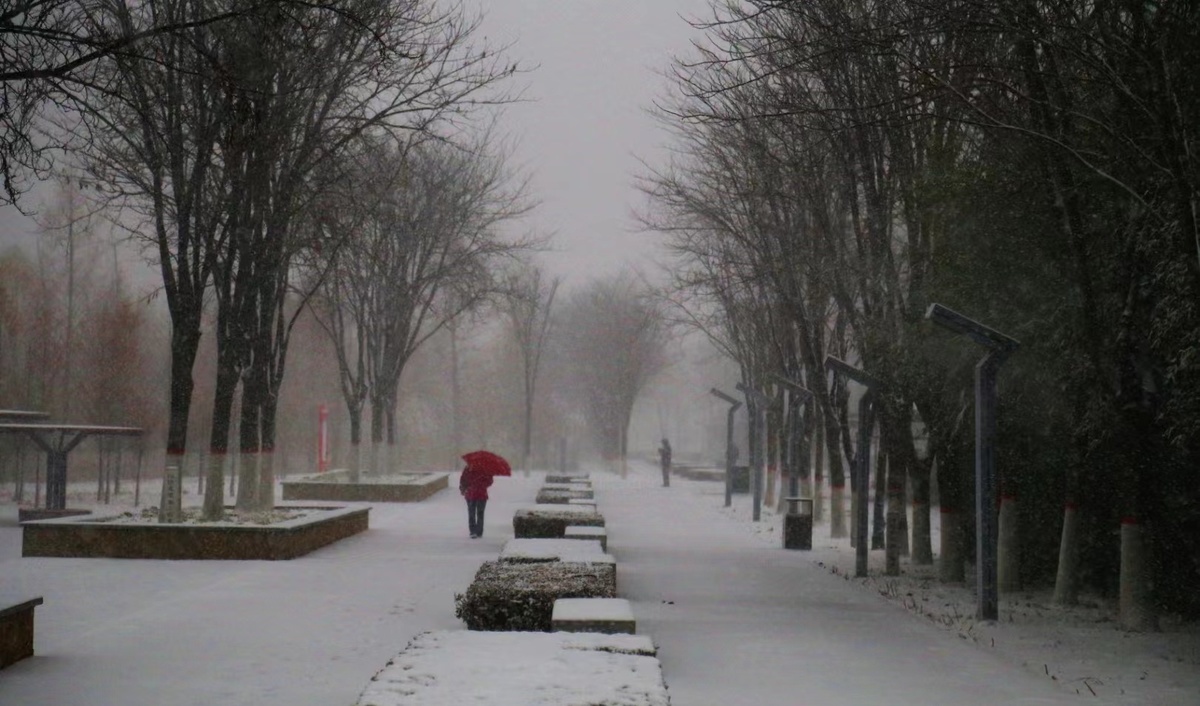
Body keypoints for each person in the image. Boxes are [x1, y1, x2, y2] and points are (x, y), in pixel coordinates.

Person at [459, 463, 493, 538]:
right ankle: (478, 531)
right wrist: (482, 484)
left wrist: (465, 488)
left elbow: (462, 480)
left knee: (472, 513)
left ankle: (473, 531)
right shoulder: (485, 469)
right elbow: (490, 481)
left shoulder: (468, 469)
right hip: (479, 494)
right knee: (479, 513)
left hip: (472, 493)